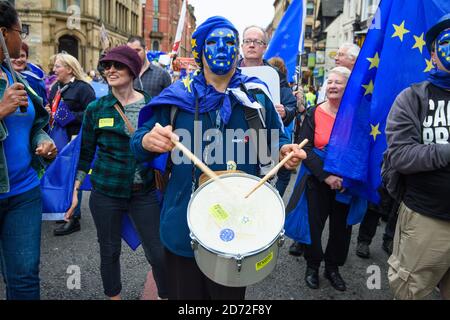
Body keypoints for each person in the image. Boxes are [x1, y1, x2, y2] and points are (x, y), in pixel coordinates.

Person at [130, 16, 306, 300]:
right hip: (184, 225)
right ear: (199, 50)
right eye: (213, 42)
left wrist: (284, 151)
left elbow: (276, 142)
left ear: (238, 49)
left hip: (240, 226)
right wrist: (148, 141)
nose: (222, 48)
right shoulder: (176, 98)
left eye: (229, 42)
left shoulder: (257, 97)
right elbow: (137, 143)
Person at [65, 45, 168, 300]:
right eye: (106, 66)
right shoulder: (96, 109)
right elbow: (85, 153)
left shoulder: (152, 107)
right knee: (109, 251)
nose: (110, 70)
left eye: (117, 65)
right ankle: (114, 297)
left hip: (143, 191)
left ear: (132, 70)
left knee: (158, 252)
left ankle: (166, 295)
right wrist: (76, 189)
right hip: (106, 192)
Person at [383, 14, 450, 300]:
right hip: (428, 219)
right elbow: (401, 155)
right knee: (411, 291)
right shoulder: (413, 98)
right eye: (446, 43)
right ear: (434, 54)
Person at [0, 1, 57, 299]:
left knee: (24, 277)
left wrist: (42, 142)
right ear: (2, 33)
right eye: (18, 31)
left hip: (24, 192)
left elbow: (34, 124)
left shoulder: (16, 77)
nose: (21, 39)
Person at [292, 67, 352, 292]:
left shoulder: (356, 116)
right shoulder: (314, 112)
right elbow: (303, 147)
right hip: (317, 181)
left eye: (339, 82)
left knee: (341, 229)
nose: (333, 86)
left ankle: (333, 268)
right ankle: (312, 266)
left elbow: (359, 150)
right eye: (330, 81)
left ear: (349, 87)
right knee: (313, 226)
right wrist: (326, 176)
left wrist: (345, 178)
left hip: (346, 183)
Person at [47, 53, 96, 236]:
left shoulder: (83, 88)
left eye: (58, 66)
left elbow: (92, 114)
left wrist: (70, 117)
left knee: (72, 175)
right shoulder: (55, 88)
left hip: (75, 138)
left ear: (69, 68)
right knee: (62, 173)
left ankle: (73, 218)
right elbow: (53, 109)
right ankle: (66, 210)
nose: (54, 70)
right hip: (58, 138)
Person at [11, 42, 48, 106]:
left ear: (27, 58)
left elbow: (43, 103)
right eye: (15, 56)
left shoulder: (36, 79)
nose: (19, 60)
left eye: (22, 56)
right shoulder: (4, 78)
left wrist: (46, 111)